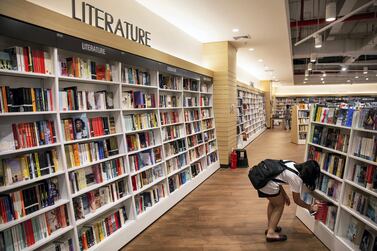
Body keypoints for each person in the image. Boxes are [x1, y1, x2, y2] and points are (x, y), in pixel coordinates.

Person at [256, 159, 320, 242]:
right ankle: (271, 233)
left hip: (263, 178)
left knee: (273, 202)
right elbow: (297, 200)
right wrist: (309, 207)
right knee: (279, 205)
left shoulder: (292, 163)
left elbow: (276, 178)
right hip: (267, 184)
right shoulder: (297, 178)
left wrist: (284, 195)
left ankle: (271, 227)